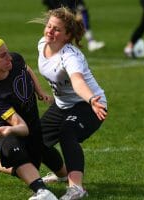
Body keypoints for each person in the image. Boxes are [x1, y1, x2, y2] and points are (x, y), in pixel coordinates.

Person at [0, 33, 58, 200]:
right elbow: (22, 128)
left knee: (57, 171)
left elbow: (26, 69)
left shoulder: (15, 60)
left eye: (8, 52)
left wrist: (39, 91)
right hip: (8, 131)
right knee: (18, 156)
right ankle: (42, 192)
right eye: (3, 55)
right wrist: (7, 131)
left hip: (33, 128)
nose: (10, 58)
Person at [32, 7, 108, 200]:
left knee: (67, 132)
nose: (50, 31)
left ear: (67, 36)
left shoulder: (70, 56)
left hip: (90, 104)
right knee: (35, 140)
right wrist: (38, 91)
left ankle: (76, 188)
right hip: (62, 105)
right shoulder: (42, 44)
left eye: (56, 29)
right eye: (49, 26)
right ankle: (62, 175)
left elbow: (78, 82)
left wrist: (91, 99)